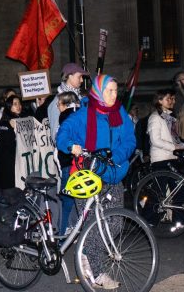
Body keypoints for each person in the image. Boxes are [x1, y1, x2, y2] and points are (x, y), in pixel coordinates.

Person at [56, 74, 135, 289]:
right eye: (109, 90)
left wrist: (113, 157)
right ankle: (97, 272)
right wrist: (70, 145)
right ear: (98, 92)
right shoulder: (82, 115)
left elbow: (130, 140)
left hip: (113, 174)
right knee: (93, 225)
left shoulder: (120, 113)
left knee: (115, 222)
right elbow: (62, 135)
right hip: (86, 175)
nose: (114, 94)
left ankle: (84, 250)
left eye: (116, 90)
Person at [55, 91, 80, 234]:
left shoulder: (65, 116)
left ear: (66, 104)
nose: (58, 107)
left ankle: (61, 235)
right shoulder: (80, 115)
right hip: (77, 162)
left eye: (59, 104)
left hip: (69, 164)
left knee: (67, 201)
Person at [48, 63, 89, 145]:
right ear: (70, 76)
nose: (82, 80)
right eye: (79, 77)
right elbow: (55, 135)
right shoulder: (58, 101)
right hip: (70, 151)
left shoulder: (81, 98)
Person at [147, 89, 184, 171]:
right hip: (161, 158)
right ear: (160, 101)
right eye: (168, 99)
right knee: (163, 183)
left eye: (171, 99)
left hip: (172, 157)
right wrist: (174, 147)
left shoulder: (170, 117)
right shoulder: (155, 117)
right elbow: (155, 140)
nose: (171, 101)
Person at [0, 95, 23, 191]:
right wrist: (12, 128)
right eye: (15, 104)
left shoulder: (22, 118)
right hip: (8, 162)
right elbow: (6, 143)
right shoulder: (4, 122)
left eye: (19, 103)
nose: (18, 106)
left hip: (19, 161)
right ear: (9, 107)